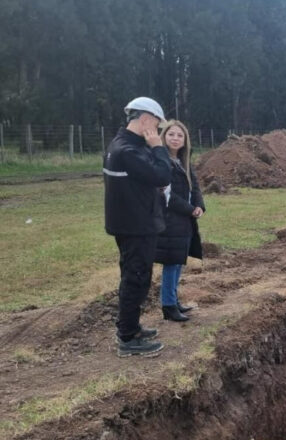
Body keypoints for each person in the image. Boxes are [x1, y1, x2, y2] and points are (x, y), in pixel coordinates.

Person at [104, 97, 171, 357]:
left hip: (131, 223)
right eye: (156, 125)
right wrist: (158, 147)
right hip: (136, 226)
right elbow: (162, 175)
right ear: (145, 120)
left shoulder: (120, 145)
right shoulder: (128, 151)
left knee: (132, 276)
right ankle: (128, 338)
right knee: (137, 278)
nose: (157, 131)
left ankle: (128, 325)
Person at [155, 120, 206, 322]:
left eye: (179, 135)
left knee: (178, 261)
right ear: (164, 137)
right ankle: (168, 306)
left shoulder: (184, 162)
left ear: (185, 140)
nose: (175, 138)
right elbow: (165, 194)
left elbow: (195, 187)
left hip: (184, 219)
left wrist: (200, 205)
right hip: (170, 219)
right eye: (171, 134)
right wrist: (190, 209)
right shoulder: (162, 162)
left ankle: (174, 301)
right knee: (171, 261)